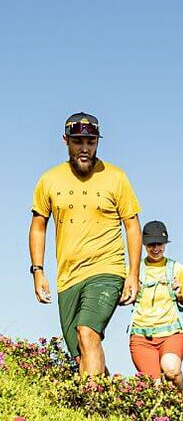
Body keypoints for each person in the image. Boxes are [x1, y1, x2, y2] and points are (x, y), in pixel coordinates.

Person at [29, 113, 142, 376]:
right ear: (65, 140)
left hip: (107, 270)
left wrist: (133, 275)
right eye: (78, 141)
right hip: (68, 278)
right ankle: (108, 404)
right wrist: (38, 270)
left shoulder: (116, 177)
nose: (85, 149)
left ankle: (90, 411)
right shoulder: (49, 180)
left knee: (87, 332)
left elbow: (132, 225)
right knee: (81, 355)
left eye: (90, 142)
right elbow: (38, 226)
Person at [128, 220, 183, 389]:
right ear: (144, 245)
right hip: (141, 336)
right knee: (154, 386)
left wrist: (179, 293)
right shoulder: (135, 269)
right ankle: (163, 415)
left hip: (171, 333)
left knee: (171, 371)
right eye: (151, 244)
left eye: (159, 244)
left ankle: (181, 406)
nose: (156, 248)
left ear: (165, 244)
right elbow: (123, 299)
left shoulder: (176, 268)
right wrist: (133, 290)